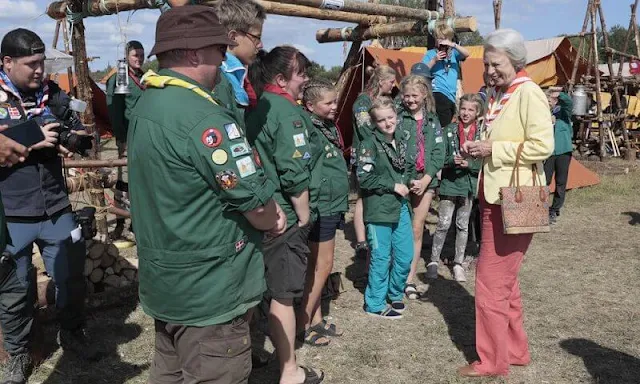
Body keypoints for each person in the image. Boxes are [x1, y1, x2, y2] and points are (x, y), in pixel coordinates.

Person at [127, 7, 286, 383]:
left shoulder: (147, 104)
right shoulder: (205, 117)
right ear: (196, 54)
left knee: (169, 371)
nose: (222, 60)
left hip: (167, 284)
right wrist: (274, 217)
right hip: (210, 291)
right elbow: (258, 206)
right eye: (218, 51)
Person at [0, 28, 97, 384]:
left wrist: (80, 138)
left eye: (42, 62)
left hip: (56, 206)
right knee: (15, 289)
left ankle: (73, 333)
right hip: (12, 213)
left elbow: (78, 130)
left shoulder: (53, 95)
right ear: (7, 62)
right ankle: (18, 352)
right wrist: (33, 137)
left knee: (70, 278)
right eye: (31, 64)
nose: (40, 70)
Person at [457, 29, 554, 378]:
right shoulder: (502, 94)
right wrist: (482, 146)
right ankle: (514, 351)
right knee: (505, 282)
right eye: (487, 64)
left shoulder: (529, 93)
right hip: (496, 196)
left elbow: (544, 146)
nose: (489, 70)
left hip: (514, 199)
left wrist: (493, 149)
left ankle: (492, 361)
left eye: (496, 64)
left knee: (490, 282)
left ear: (515, 60)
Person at [245, 46, 324, 384]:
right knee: (283, 295)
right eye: (301, 74)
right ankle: (290, 370)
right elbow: (293, 169)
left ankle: (245, 353)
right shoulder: (286, 111)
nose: (306, 79)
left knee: (251, 290)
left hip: (258, 213)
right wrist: (303, 214)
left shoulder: (257, 105)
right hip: (284, 216)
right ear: (281, 78)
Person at [298, 79, 349, 346]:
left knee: (318, 267)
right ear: (310, 105)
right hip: (322, 203)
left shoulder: (326, 125)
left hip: (332, 201)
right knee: (322, 266)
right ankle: (303, 323)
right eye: (328, 103)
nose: (334, 106)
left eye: (334, 101)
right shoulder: (308, 128)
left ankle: (316, 318)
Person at [357, 96, 415, 319]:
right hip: (379, 208)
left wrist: (412, 181)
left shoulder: (401, 138)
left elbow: (406, 168)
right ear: (374, 122)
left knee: (405, 255)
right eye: (381, 120)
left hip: (400, 206)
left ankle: (394, 292)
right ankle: (375, 304)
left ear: (397, 116)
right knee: (381, 257)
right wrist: (393, 185)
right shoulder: (368, 143)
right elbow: (364, 178)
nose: (387, 123)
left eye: (390, 117)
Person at [397, 67, 444, 298]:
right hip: (401, 180)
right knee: (399, 228)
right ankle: (394, 274)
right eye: (407, 95)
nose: (411, 100)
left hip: (425, 180)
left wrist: (427, 178)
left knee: (417, 229)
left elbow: (438, 151)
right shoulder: (396, 117)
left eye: (415, 95)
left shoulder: (433, 120)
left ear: (424, 95)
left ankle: (409, 279)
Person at [430, 93, 484, 283]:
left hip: (468, 186)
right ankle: (433, 261)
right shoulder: (449, 131)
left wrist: (470, 165)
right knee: (443, 224)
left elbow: (485, 163)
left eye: (470, 109)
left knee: (462, 225)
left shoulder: (481, 134)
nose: (466, 113)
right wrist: (451, 161)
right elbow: (439, 158)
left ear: (477, 112)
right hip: (449, 184)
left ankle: (458, 263)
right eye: (463, 108)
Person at [351, 65, 396, 283]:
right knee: (363, 197)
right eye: (391, 81)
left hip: (381, 153)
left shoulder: (381, 102)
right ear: (381, 81)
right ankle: (362, 241)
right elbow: (364, 129)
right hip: (366, 154)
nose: (393, 85)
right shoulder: (363, 102)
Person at [105, 40, 145, 237]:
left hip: (144, 136)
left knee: (142, 179)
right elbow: (115, 108)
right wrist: (121, 137)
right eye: (135, 55)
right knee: (124, 180)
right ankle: (121, 222)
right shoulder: (122, 77)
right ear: (127, 56)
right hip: (128, 136)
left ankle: (136, 223)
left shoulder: (144, 76)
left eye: (141, 54)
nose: (139, 58)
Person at [212, 0, 264, 121]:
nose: (260, 45)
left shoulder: (234, 77)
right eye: (257, 37)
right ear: (233, 37)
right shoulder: (219, 79)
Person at [422, 23, 470, 127]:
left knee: (445, 123)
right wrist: (434, 60)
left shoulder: (454, 53)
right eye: (438, 38)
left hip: (451, 96)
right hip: (437, 92)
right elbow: (422, 70)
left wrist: (453, 44)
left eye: (444, 38)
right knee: (444, 126)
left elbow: (467, 53)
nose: (441, 41)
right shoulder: (430, 53)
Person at [544, 87, 573, 224]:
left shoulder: (564, 112)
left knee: (561, 182)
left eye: (550, 99)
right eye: (547, 100)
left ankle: (554, 209)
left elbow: (569, 103)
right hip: (548, 152)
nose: (549, 102)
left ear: (556, 101)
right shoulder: (543, 114)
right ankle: (541, 207)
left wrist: (560, 94)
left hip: (563, 152)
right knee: (545, 180)